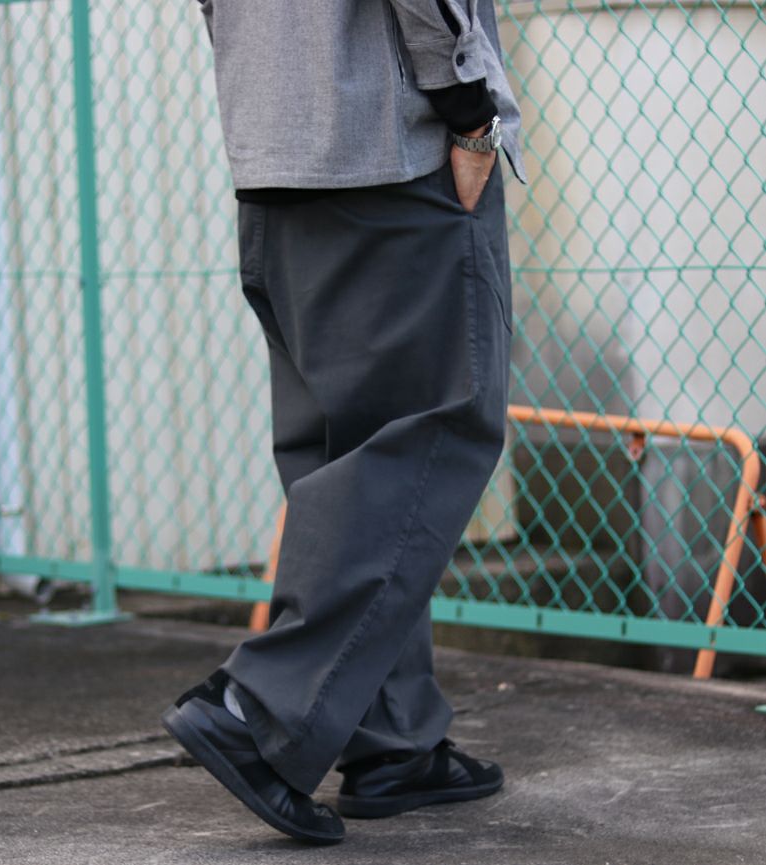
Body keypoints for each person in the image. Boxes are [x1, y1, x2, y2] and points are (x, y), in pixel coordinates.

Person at [162, 0, 527, 845]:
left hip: (275, 155)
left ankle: (392, 740)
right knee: (437, 427)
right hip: (392, 152)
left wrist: (275, 96)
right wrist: (468, 111)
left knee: (347, 454)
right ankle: (258, 709)